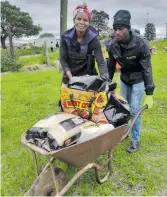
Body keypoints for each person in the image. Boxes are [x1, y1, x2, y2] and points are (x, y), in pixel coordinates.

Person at [108, 10, 155, 153]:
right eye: (115, 29)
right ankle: (125, 131)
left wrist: (149, 92)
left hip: (138, 79)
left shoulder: (141, 44)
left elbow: (147, 68)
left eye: (120, 29)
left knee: (134, 110)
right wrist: (107, 85)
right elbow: (110, 68)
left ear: (128, 28)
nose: (117, 32)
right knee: (124, 107)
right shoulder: (113, 46)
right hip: (124, 78)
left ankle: (135, 140)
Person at [60, 4, 109, 84]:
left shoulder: (94, 39)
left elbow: (101, 62)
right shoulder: (65, 37)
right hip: (70, 77)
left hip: (89, 79)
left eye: (85, 20)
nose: (82, 22)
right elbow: (63, 59)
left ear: (89, 22)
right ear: (74, 20)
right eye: (79, 19)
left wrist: (107, 80)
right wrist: (70, 77)